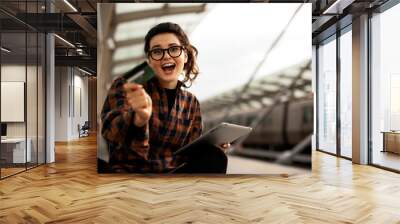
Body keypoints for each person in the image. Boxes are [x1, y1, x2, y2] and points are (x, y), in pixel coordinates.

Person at [100, 22, 229, 173]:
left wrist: (212, 148)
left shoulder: (191, 103)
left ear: (185, 56)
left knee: (215, 156)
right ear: (149, 59)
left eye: (174, 49)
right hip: (132, 172)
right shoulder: (129, 85)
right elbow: (110, 130)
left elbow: (191, 151)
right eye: (157, 51)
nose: (166, 56)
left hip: (173, 175)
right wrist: (138, 120)